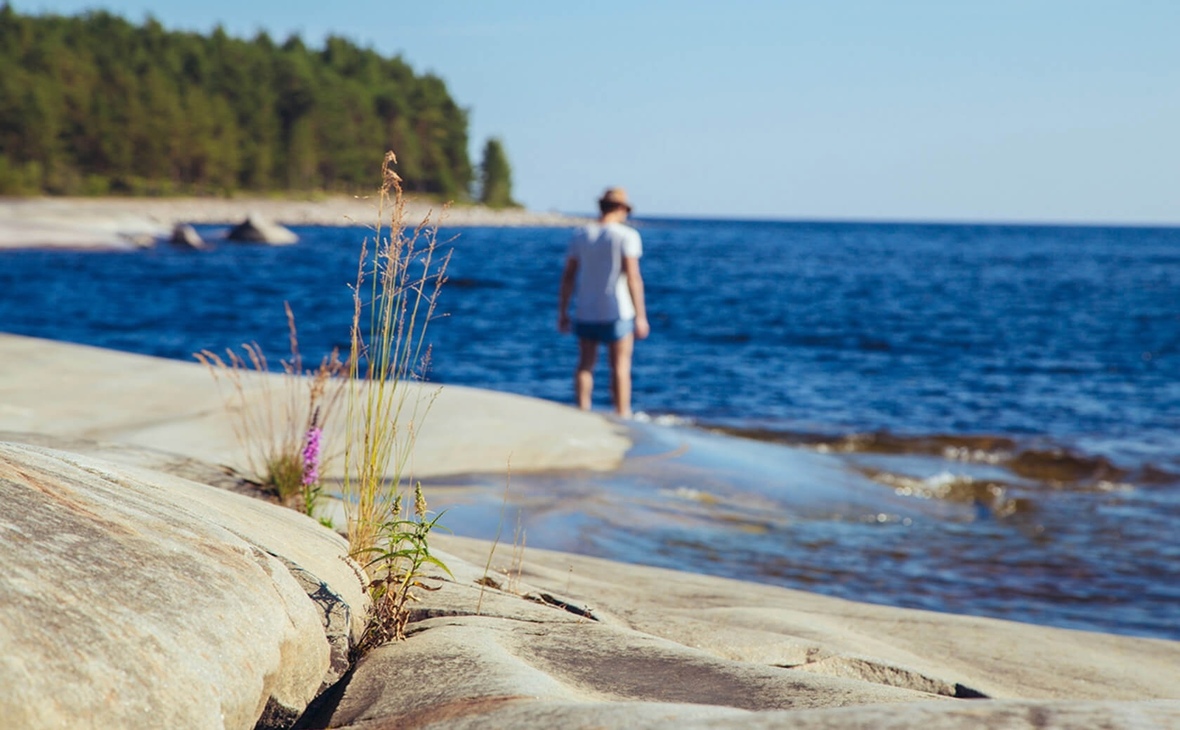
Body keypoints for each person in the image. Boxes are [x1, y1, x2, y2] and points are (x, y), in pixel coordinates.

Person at [558, 187, 650, 418]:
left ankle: (582, 411)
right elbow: (633, 277)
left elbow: (568, 276)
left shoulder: (581, 234)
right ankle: (622, 414)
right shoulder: (626, 235)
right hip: (618, 310)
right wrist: (641, 316)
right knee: (620, 366)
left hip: (585, 309)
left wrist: (562, 311)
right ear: (620, 208)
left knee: (585, 364)